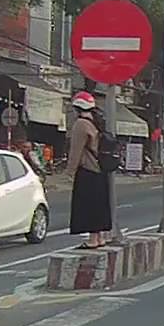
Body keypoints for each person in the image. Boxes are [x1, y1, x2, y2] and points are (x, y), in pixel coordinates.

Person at [66, 91, 112, 249]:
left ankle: (92, 239)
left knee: (87, 205)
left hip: (87, 170)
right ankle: (99, 237)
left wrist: (70, 172)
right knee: (99, 205)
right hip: (100, 170)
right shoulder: (96, 122)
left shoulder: (81, 124)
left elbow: (76, 151)